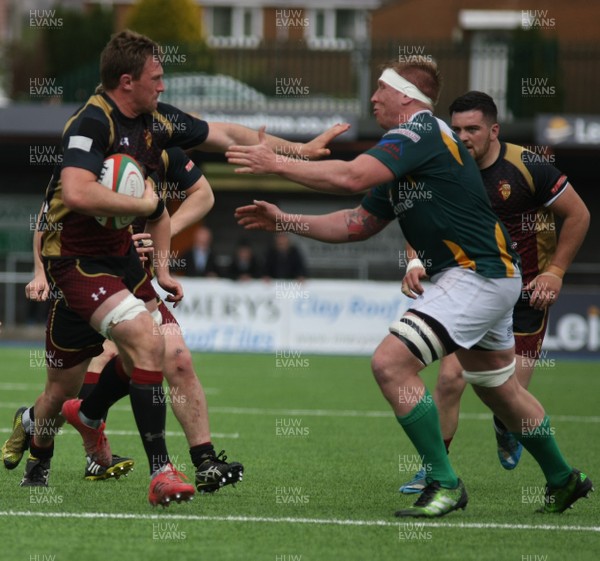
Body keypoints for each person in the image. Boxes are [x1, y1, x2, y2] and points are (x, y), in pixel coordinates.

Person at [229, 58, 593, 517]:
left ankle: (443, 482)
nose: (373, 98)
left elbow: (350, 177)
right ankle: (564, 479)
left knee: (389, 363)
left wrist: (276, 163)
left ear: (405, 96)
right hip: (488, 277)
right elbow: (358, 223)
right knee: (498, 388)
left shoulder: (420, 131)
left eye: (381, 90)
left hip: (474, 276)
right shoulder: (406, 148)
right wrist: (285, 220)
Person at [4, 29, 347, 505]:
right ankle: (40, 446)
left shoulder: (158, 123)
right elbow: (78, 193)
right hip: (76, 266)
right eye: (156, 78)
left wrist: (300, 150)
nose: (163, 86)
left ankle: (170, 466)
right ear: (127, 82)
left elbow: (227, 134)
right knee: (57, 394)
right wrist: (141, 201)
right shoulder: (89, 125)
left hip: (125, 264)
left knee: (168, 351)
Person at [6, 147, 245, 492]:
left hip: (133, 280)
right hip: (81, 282)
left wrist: (160, 249)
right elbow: (45, 219)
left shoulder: (162, 152)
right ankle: (37, 436)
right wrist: (39, 272)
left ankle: (201, 461)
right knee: (60, 393)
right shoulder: (87, 156)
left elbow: (197, 196)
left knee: (174, 358)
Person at [398, 91, 590, 493]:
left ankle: (508, 430)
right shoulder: (445, 168)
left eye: (474, 129)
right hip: (477, 288)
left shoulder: (526, 165)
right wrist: (414, 260)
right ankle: (436, 471)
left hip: (527, 295)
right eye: (457, 129)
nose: (464, 137)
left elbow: (578, 213)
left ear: (494, 130)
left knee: (506, 397)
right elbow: (418, 216)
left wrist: (555, 273)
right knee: (450, 378)